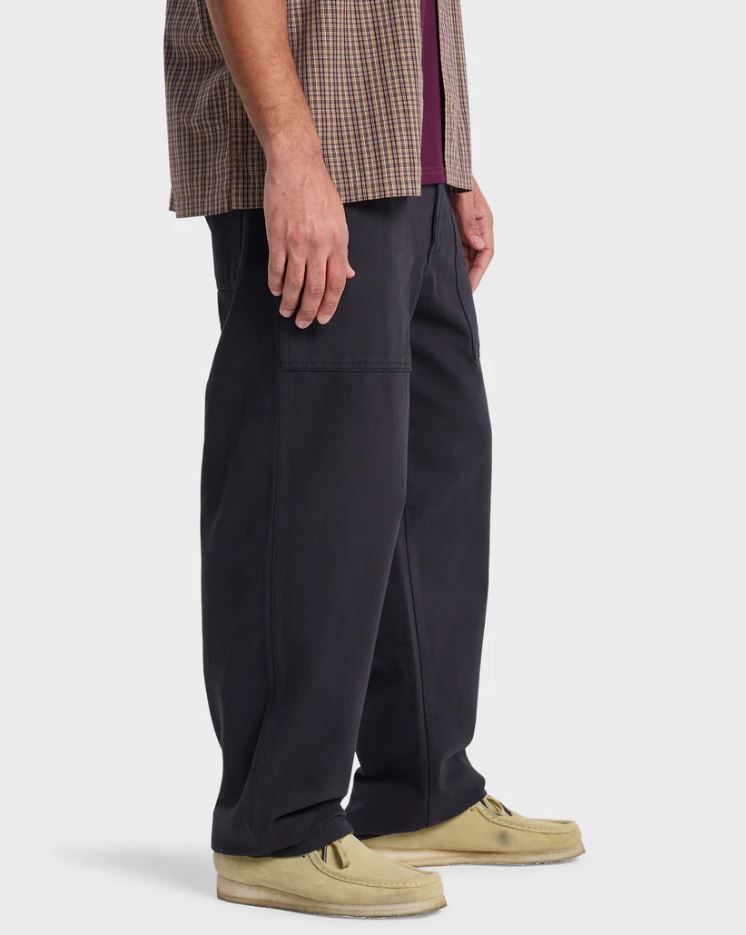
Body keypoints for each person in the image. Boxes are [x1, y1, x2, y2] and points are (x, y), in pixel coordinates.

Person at [164, 0, 583, 918]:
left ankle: (417, 789)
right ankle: (275, 820)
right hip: (316, 154)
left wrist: (451, 166)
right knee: (313, 481)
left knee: (436, 469)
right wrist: (291, 153)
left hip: (405, 159)